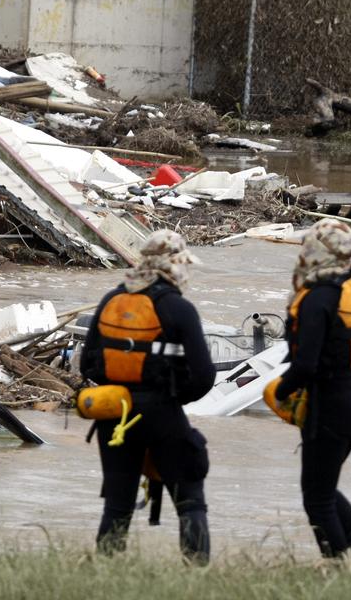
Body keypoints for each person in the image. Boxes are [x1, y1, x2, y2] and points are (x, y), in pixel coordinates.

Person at [80, 230, 215, 564]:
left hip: (115, 412)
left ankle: (106, 570)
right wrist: (173, 398)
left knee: (117, 504)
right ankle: (197, 573)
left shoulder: (111, 299)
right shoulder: (179, 308)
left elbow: (88, 364)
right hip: (162, 413)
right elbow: (204, 376)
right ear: (176, 265)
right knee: (190, 501)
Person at [273, 219, 351, 569]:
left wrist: (281, 392)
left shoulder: (317, 298)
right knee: (326, 486)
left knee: (316, 497)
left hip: (330, 403)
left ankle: (337, 569)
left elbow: (305, 365)